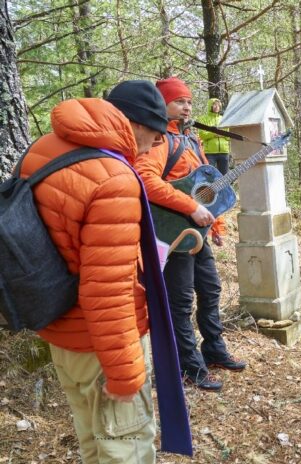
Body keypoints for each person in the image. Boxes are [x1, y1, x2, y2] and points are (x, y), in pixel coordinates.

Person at [17, 80, 169, 462]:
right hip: (101, 345)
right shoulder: (114, 178)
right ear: (136, 124)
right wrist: (124, 374)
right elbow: (108, 290)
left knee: (92, 442)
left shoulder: (43, 149)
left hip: (58, 330)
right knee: (126, 448)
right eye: (156, 133)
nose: (156, 145)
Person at [134, 77, 246, 392]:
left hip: (197, 233)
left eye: (189, 102)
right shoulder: (159, 141)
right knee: (181, 302)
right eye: (179, 101)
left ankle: (214, 350)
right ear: (163, 104)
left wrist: (216, 225)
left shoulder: (191, 140)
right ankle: (190, 367)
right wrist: (190, 206)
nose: (186, 107)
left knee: (210, 290)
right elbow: (145, 179)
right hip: (174, 237)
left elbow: (209, 187)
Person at [197, 97, 230, 174]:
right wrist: (214, 134)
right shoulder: (203, 119)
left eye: (218, 105)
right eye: (214, 105)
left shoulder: (223, 119)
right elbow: (202, 135)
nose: (216, 107)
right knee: (210, 175)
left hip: (224, 151)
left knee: (224, 176)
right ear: (210, 106)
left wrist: (222, 134)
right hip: (210, 153)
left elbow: (229, 135)